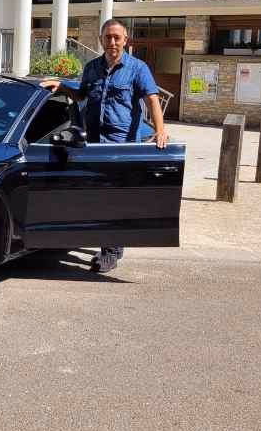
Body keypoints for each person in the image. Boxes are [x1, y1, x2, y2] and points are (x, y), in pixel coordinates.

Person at [40, 18, 169, 273]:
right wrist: (62, 86)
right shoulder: (91, 68)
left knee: (113, 199)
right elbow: (81, 95)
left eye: (116, 38)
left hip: (120, 146)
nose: (112, 42)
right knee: (95, 196)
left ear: (125, 40)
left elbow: (152, 99)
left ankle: (110, 252)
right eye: (107, 37)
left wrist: (160, 131)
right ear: (101, 40)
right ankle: (106, 240)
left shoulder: (137, 68)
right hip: (93, 143)